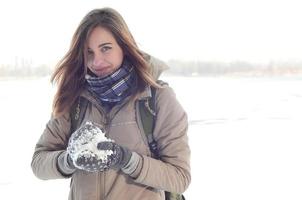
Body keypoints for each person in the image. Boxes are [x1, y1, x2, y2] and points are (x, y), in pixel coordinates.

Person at [31, 7, 190, 200]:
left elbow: (180, 177)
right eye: (88, 52)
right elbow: (38, 163)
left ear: (124, 46)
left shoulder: (157, 98)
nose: (96, 61)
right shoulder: (74, 99)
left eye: (105, 48)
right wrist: (70, 160)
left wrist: (126, 159)